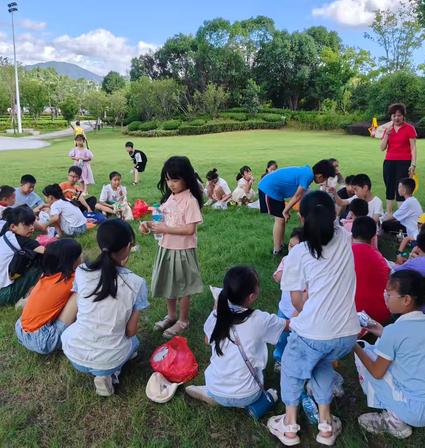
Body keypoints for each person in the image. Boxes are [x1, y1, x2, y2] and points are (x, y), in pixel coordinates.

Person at [267, 191, 360, 446]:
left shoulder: (297, 254)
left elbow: (297, 302)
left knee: (292, 369)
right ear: (334, 216)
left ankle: (289, 427)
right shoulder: (345, 238)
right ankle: (326, 426)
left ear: (301, 217)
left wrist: (310, 308)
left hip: (313, 335)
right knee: (321, 364)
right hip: (347, 335)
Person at [354, 270, 425, 439]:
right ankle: (399, 413)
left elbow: (377, 372)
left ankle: (394, 420)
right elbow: (409, 343)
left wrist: (353, 346)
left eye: (389, 294)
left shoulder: (394, 332)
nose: (385, 297)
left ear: (406, 300)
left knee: (366, 351)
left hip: (416, 410)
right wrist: (381, 331)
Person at [61, 219, 149, 396]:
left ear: (100, 244)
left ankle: (105, 372)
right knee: (135, 342)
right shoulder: (137, 283)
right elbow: (131, 332)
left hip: (74, 351)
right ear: (127, 247)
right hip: (107, 361)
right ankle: (109, 375)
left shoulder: (82, 271)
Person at [185, 266, 287, 407]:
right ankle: (253, 403)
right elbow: (288, 325)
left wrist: (216, 308)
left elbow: (207, 340)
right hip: (249, 395)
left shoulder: (216, 314)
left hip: (215, 389)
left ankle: (211, 394)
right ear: (252, 296)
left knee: (217, 381)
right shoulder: (260, 320)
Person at [143, 156, 203, 338]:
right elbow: (161, 220)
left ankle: (183, 320)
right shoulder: (170, 197)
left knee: (183, 287)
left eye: (175, 179)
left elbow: (190, 229)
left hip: (183, 250)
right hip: (166, 247)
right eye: (168, 179)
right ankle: (171, 315)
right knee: (169, 283)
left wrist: (165, 228)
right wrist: (148, 225)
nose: (171, 184)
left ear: (186, 178)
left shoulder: (190, 201)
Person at [15, 239, 81, 354]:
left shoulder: (45, 276)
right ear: (73, 261)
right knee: (79, 292)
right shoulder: (73, 279)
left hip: (20, 329)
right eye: (79, 255)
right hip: (43, 341)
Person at [258, 160, 336, 255]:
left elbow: (304, 195)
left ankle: (281, 244)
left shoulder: (307, 173)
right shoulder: (307, 176)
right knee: (279, 219)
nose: (324, 181)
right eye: (325, 178)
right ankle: (277, 250)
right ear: (320, 176)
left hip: (275, 190)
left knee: (281, 219)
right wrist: (286, 211)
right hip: (269, 189)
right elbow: (297, 196)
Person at [272, 227, 304, 370]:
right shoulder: (286, 260)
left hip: (303, 312)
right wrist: (284, 274)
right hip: (284, 310)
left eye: (297, 248)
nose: (293, 250)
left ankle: (298, 361)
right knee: (282, 337)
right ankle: (279, 358)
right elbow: (277, 276)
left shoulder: (308, 265)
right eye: (290, 246)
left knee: (300, 339)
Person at [0, 206, 45, 306]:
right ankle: (27, 297)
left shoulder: (6, 235)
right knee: (42, 260)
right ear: (13, 227)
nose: (32, 227)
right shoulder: (22, 241)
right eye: (27, 225)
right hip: (4, 295)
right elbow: (49, 252)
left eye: (32, 223)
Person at [352, 216, 391, 324]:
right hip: (380, 315)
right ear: (374, 235)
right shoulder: (381, 259)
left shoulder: (343, 255)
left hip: (349, 314)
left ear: (352, 232)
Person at [380, 103, 417, 215]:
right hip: (389, 162)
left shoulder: (409, 129)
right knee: (389, 187)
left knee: (402, 188)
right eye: (394, 115)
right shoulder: (387, 129)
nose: (396, 118)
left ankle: (402, 214)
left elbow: (413, 148)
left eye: (399, 115)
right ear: (391, 116)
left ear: (403, 116)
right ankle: (389, 213)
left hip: (404, 162)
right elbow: (382, 148)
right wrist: (387, 134)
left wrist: (413, 164)